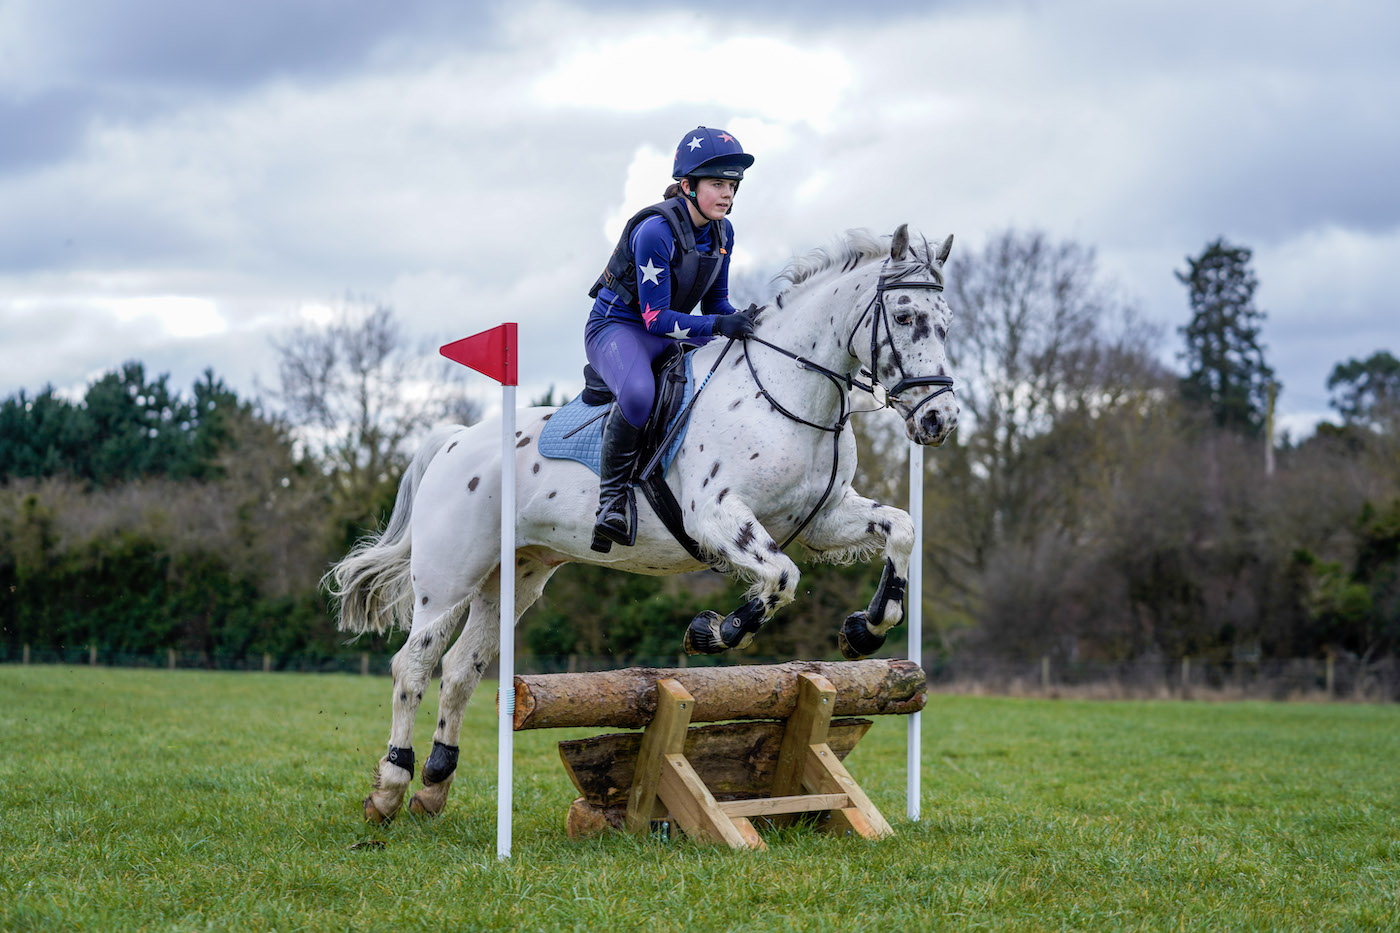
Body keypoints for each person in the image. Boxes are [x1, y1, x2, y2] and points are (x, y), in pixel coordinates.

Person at [584, 126, 758, 551]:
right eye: (717, 184)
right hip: (619, 328)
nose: (727, 194)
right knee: (641, 392)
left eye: (732, 185)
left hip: (667, 333)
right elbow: (656, 318)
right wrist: (718, 328)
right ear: (687, 185)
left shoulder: (723, 233)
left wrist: (750, 324)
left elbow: (716, 305)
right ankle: (612, 501)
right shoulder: (655, 231)